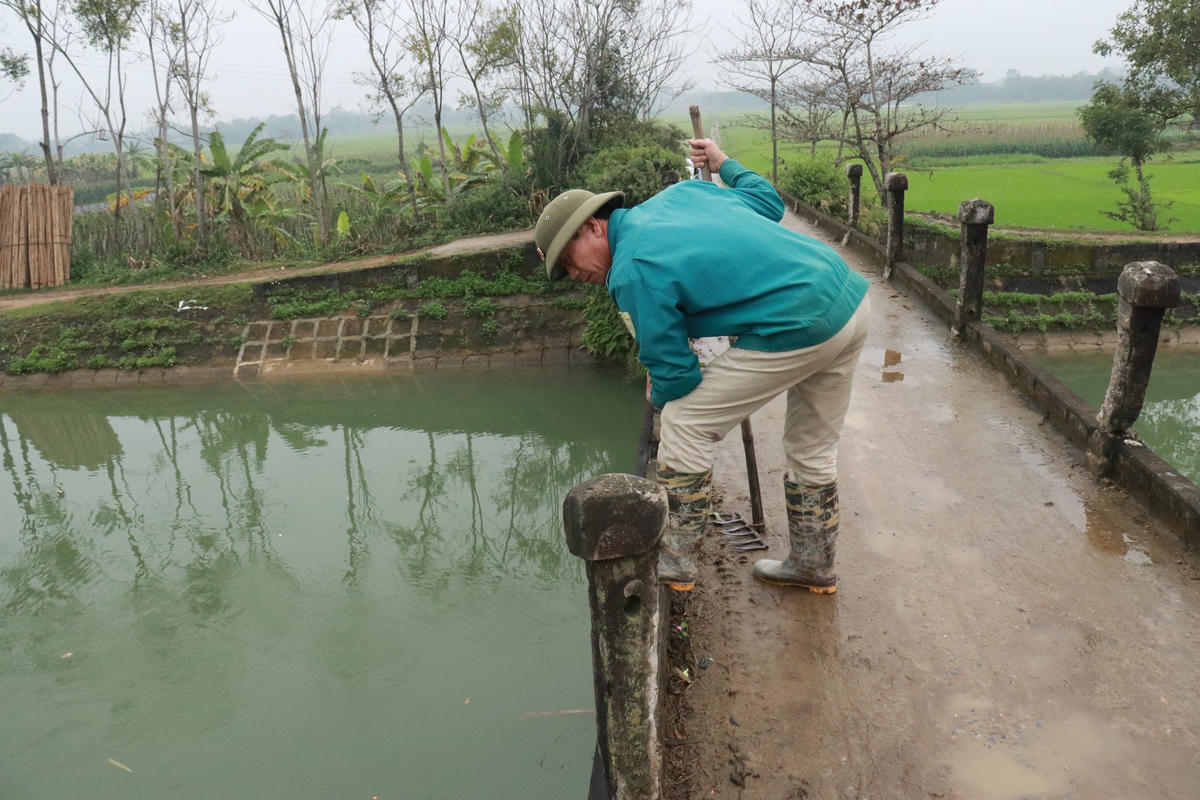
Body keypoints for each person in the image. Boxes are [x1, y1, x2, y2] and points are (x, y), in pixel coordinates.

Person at [535, 138, 870, 594]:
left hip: (801, 321)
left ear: (594, 227)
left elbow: (675, 375)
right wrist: (722, 162)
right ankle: (814, 565)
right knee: (811, 447)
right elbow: (767, 203)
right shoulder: (682, 194)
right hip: (849, 299)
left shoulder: (630, 268)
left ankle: (673, 562)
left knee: (685, 423)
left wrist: (660, 386)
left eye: (567, 263)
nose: (574, 276)